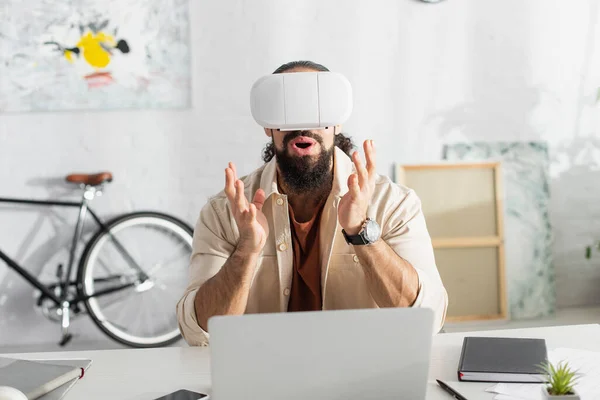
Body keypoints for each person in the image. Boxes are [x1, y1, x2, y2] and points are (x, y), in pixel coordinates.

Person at [177, 60, 448, 346]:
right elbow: (199, 331)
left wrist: (361, 232)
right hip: (262, 376)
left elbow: (427, 318)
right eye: (287, 109)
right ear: (269, 126)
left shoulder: (393, 203)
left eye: (316, 107)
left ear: (338, 121)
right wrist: (246, 250)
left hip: (365, 374)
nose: (303, 124)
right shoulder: (227, 211)